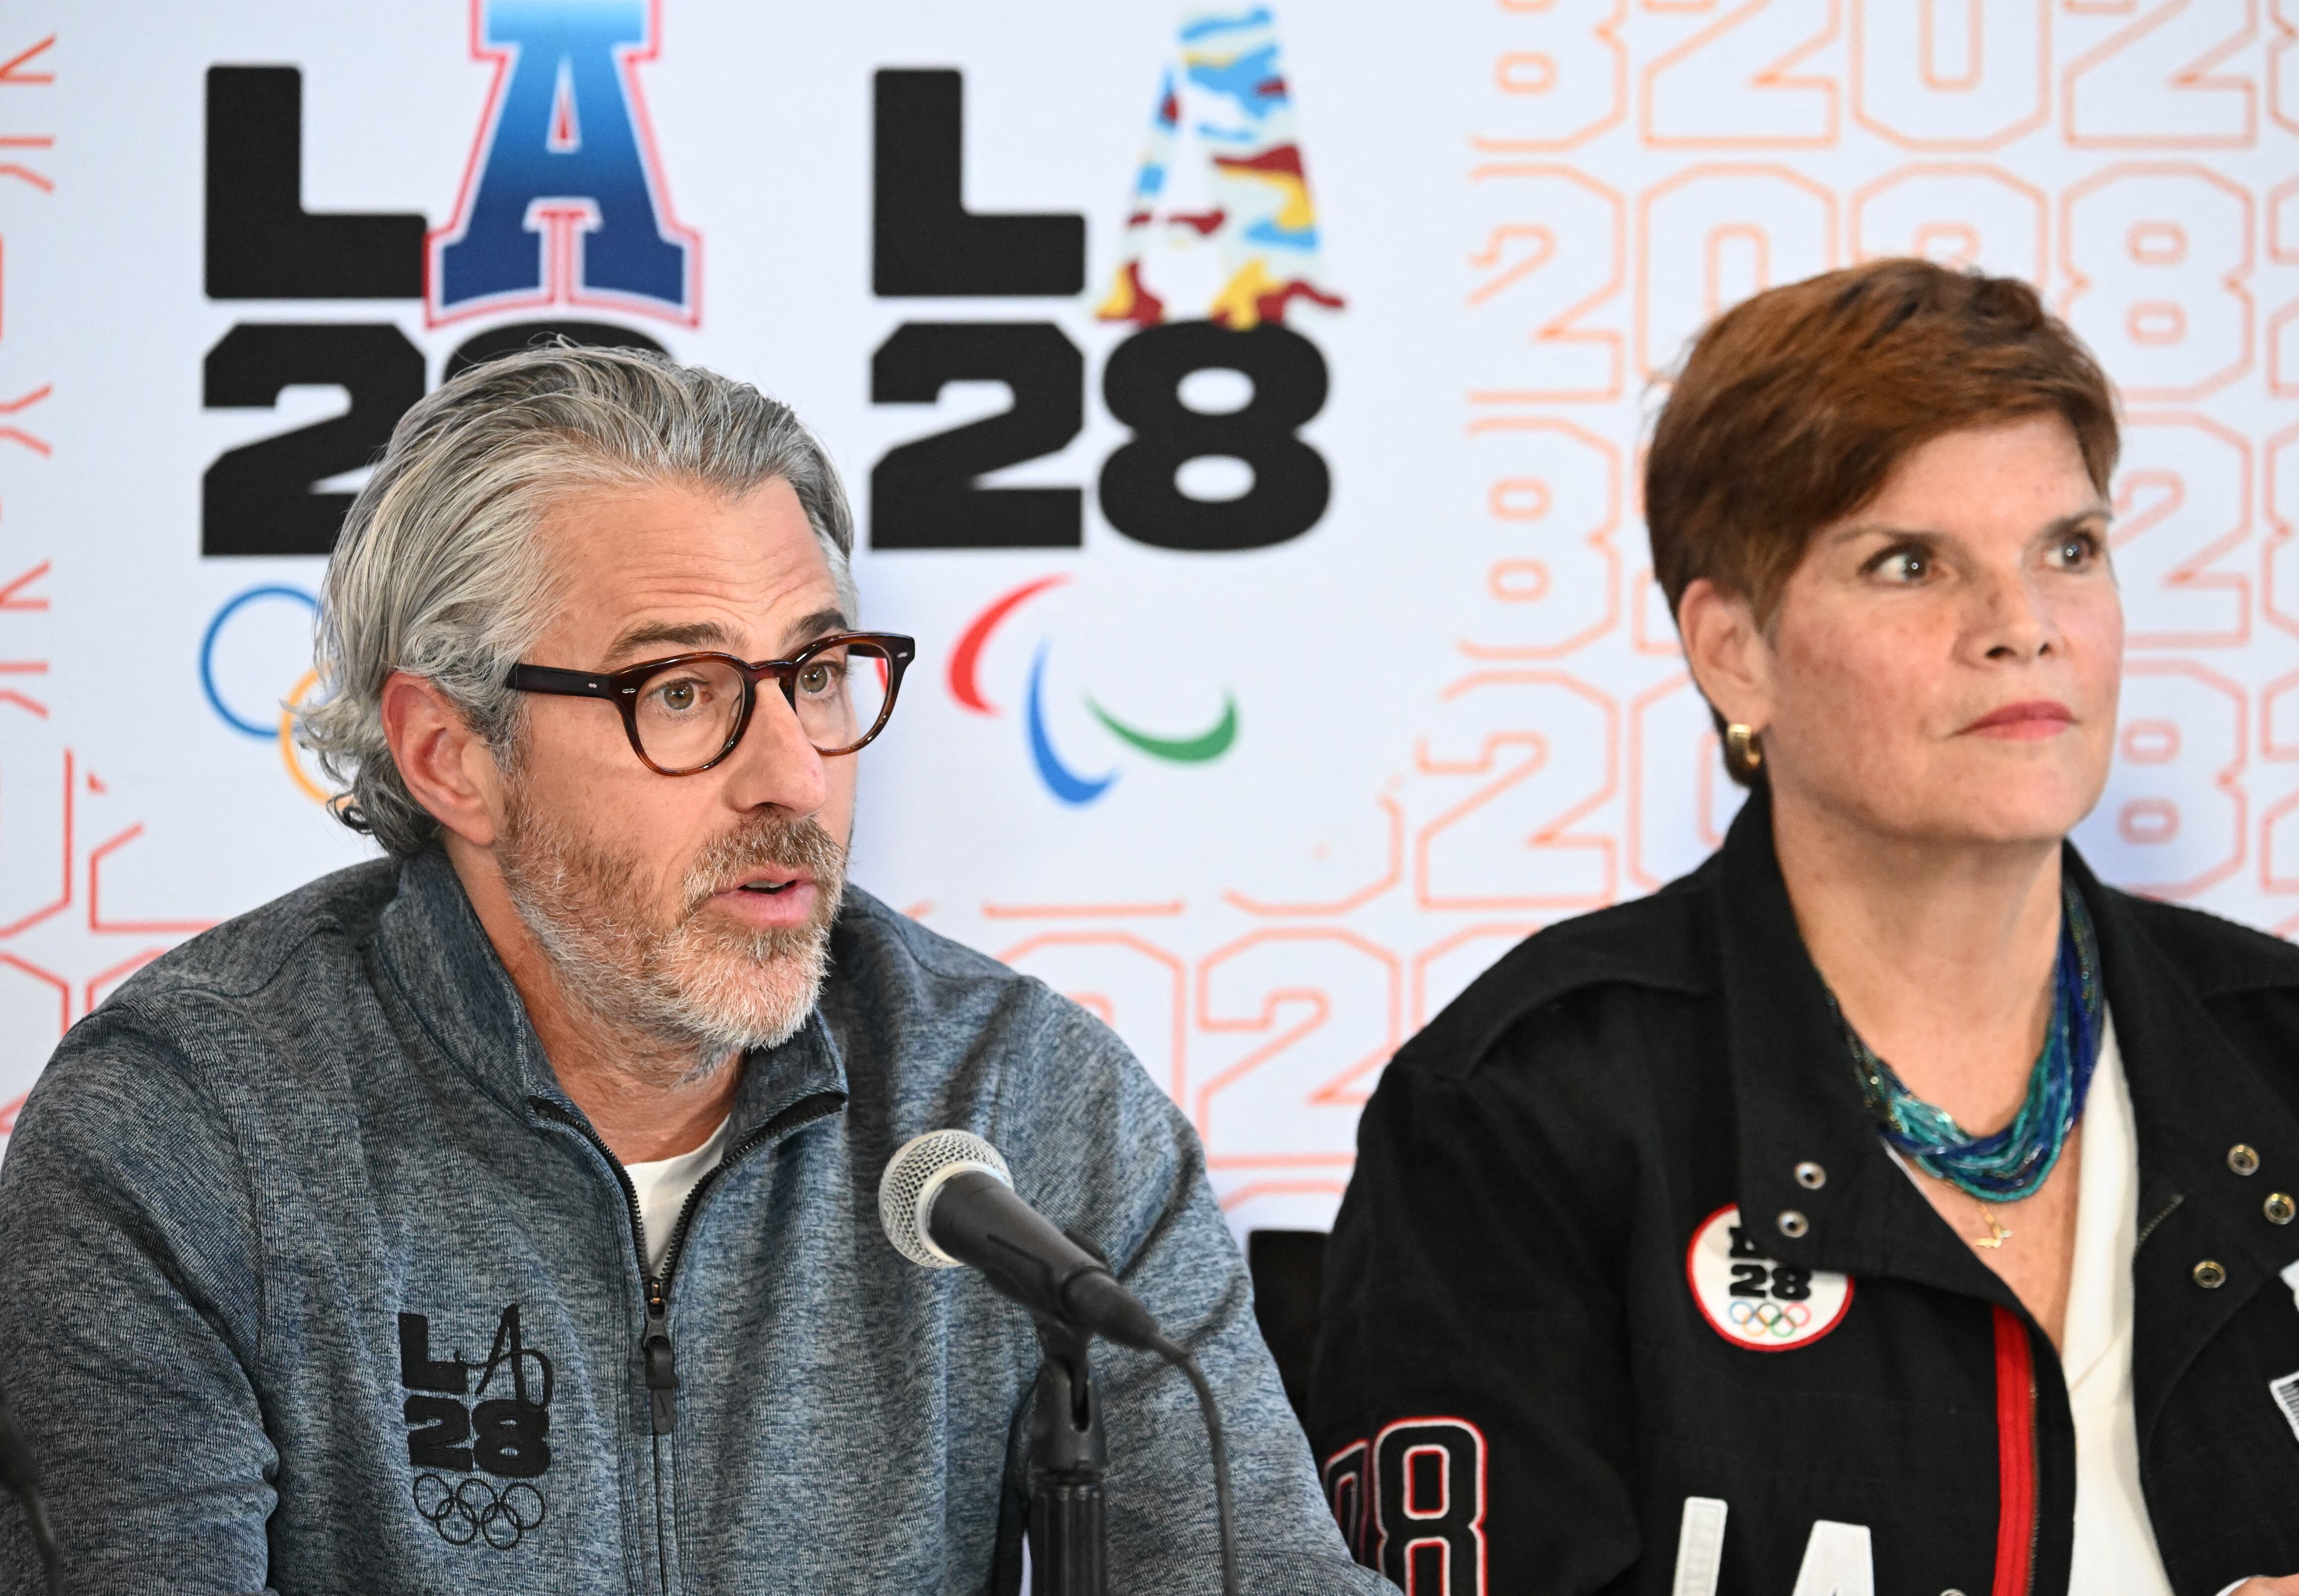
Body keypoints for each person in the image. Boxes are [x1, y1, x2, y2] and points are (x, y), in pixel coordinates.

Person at [0, 346, 1386, 1594]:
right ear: (450, 756)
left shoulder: (1017, 1109)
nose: (793, 776)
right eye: (682, 692)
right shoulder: (189, 1137)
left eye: (819, 673)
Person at [1310, 260, 2299, 1595]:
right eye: (1910, 564)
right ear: (1734, 648)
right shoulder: (1525, 1117)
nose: (2024, 628)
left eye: (2070, 549)